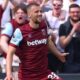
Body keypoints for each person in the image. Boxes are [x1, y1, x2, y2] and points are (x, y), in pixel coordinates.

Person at [5, 2, 68, 80]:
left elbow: (48, 41)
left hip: (44, 73)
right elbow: (10, 52)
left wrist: (58, 54)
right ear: (29, 15)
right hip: (27, 76)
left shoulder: (43, 25)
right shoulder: (20, 31)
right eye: (36, 12)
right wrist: (8, 74)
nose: (40, 14)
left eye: (41, 11)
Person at [44, 0, 68, 72]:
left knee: (64, 74)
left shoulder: (66, 14)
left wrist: (64, 12)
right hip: (51, 51)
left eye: (59, 5)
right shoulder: (46, 14)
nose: (56, 7)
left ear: (62, 6)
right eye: (54, 5)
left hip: (63, 49)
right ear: (52, 5)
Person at [59, 4, 80, 73]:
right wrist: (73, 29)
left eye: (77, 12)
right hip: (70, 62)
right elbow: (63, 44)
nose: (75, 14)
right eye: (73, 12)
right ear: (69, 13)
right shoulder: (63, 26)